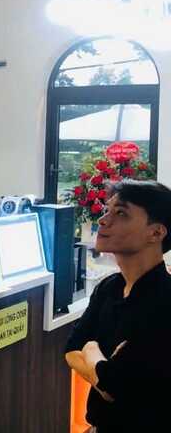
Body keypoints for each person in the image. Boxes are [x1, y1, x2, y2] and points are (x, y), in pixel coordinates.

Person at [65, 179, 171, 432]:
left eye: (121, 213)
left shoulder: (164, 301)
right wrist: (101, 369)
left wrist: (91, 350)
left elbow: (115, 386)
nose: (103, 220)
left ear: (156, 233)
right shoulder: (109, 287)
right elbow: (70, 350)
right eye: (107, 210)